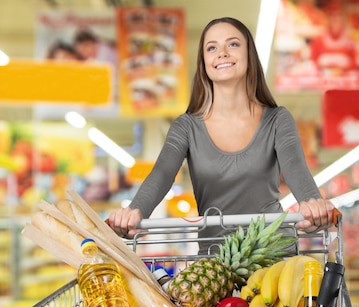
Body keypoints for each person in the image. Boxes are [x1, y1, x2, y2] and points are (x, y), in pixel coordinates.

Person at [107, 17, 335, 249]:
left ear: (250, 55)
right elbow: (163, 172)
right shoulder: (186, 127)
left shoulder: (277, 120)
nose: (222, 53)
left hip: (274, 255)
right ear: (204, 61)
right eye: (212, 47)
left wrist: (313, 204)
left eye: (233, 44)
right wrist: (135, 210)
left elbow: (295, 167)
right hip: (215, 262)